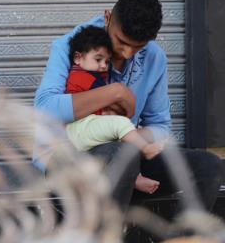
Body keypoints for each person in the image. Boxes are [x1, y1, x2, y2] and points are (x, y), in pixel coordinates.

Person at [34, 0, 223, 215]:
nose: (127, 53)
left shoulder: (154, 58)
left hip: (127, 159)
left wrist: (133, 138)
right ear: (107, 18)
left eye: (138, 47)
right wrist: (115, 92)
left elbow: (160, 127)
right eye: (121, 41)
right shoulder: (72, 46)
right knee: (118, 155)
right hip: (70, 161)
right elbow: (45, 110)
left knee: (207, 166)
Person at [62, 25, 164, 194]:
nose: (103, 65)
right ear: (78, 58)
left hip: (85, 128)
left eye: (107, 61)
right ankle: (146, 150)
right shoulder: (82, 77)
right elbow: (101, 106)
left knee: (124, 135)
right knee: (121, 124)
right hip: (78, 130)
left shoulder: (94, 77)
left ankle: (134, 177)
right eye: (98, 59)